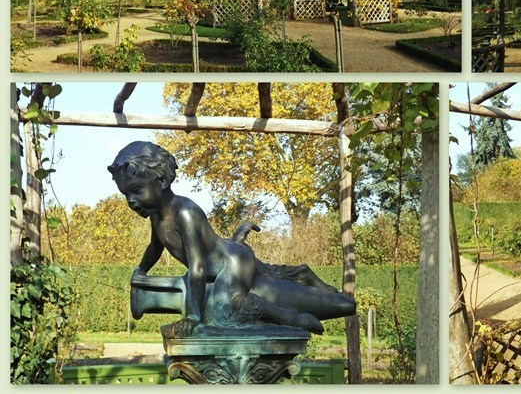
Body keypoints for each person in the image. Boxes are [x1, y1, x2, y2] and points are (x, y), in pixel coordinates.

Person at [108, 141, 355, 336]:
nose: (131, 200)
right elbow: (154, 247)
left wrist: (193, 316)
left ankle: (292, 318)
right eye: (126, 194)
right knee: (269, 276)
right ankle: (302, 273)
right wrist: (141, 269)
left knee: (225, 312)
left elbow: (198, 267)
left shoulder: (184, 212)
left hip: (232, 265)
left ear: (161, 180)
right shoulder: (156, 217)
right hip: (229, 253)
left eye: (136, 191)